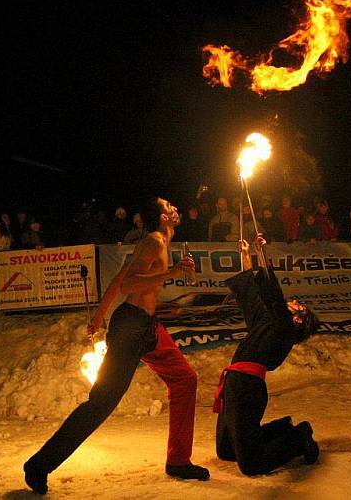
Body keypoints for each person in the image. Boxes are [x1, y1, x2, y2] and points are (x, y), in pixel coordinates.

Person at [24, 197, 209, 495]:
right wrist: (172, 273)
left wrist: (98, 317)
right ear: (162, 217)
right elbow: (129, 286)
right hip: (131, 329)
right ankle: (38, 465)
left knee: (185, 379)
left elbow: (119, 280)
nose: (174, 207)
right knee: (102, 402)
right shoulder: (153, 242)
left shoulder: (158, 241)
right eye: (168, 206)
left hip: (147, 327)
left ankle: (178, 461)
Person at [214, 234, 319, 475]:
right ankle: (282, 429)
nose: (294, 302)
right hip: (234, 382)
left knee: (252, 465)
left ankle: (298, 436)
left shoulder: (285, 330)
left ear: (298, 319)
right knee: (226, 451)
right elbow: (250, 295)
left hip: (248, 387)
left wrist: (262, 254)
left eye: (299, 306)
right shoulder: (268, 321)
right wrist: (246, 256)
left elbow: (272, 294)